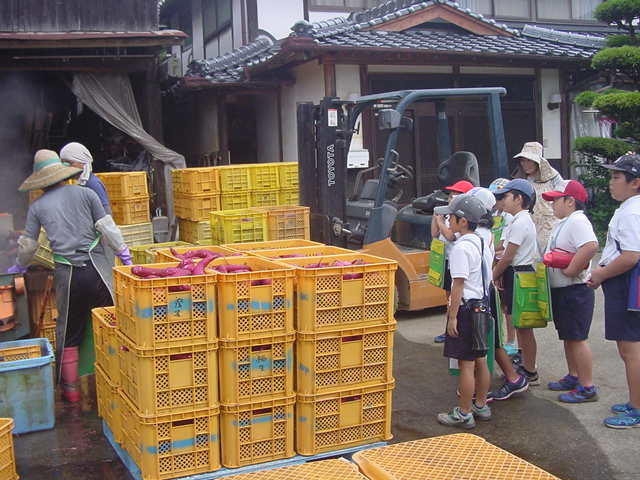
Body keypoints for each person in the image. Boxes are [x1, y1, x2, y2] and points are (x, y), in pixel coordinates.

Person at [8, 150, 133, 403]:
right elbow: (107, 227)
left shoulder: (37, 207)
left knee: (69, 332)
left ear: (41, 180)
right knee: (111, 324)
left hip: (69, 276)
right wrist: (124, 253)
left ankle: (72, 392)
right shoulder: (87, 194)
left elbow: (28, 246)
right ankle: (119, 381)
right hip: (98, 272)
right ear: (63, 174)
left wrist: (19, 266)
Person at [588, 154, 640, 428]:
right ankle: (634, 401)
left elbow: (631, 256)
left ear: (635, 182)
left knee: (631, 349)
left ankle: (637, 408)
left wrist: (601, 273)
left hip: (627, 282)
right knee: (627, 347)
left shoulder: (632, 212)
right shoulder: (629, 208)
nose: (611, 182)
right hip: (624, 281)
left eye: (617, 177)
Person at [434, 194, 492, 429]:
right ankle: (481, 405)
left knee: (466, 364)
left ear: (463, 221)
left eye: (452, 217)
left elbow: (458, 285)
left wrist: (452, 317)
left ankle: (464, 413)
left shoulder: (460, 248)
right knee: (481, 360)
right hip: (482, 306)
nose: (448, 221)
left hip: (466, 309)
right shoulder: (480, 241)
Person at [542, 180, 599, 403]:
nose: (552, 205)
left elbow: (590, 246)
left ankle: (587, 386)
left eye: (556, 200)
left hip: (575, 289)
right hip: (564, 290)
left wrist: (572, 269)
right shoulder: (565, 222)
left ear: (570, 201)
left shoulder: (578, 221)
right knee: (568, 336)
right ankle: (574, 375)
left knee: (577, 338)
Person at [490, 179, 540, 388]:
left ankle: (530, 369)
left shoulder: (521, 221)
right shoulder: (516, 220)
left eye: (506, 196)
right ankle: (527, 365)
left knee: (524, 326)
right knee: (520, 325)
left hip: (520, 274)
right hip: (515, 273)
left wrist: (493, 275)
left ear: (519, 198)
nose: (503, 200)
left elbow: (508, 256)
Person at [431, 180, 474, 344]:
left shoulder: (463, 219)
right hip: (446, 260)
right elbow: (434, 234)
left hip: (457, 263)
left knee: (456, 297)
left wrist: (441, 222)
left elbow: (450, 236)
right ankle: (448, 329)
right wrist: (436, 217)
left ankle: (454, 329)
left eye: (456, 195)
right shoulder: (449, 214)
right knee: (448, 297)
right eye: (450, 195)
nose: (451, 198)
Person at [512, 142, 564, 254]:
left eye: (529, 160)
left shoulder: (553, 178)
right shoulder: (521, 180)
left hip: (549, 225)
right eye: (523, 160)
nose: (525, 164)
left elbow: (562, 198)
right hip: (527, 224)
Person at [489, 178, 517, 355]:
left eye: (500, 197)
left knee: (508, 307)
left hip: (504, 264)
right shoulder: (493, 214)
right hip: (493, 261)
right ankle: (499, 337)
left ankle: (511, 341)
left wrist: (489, 248)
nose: (497, 201)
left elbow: (504, 244)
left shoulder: (510, 217)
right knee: (497, 304)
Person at [59, 142, 111, 214]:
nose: (66, 166)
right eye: (63, 163)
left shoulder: (92, 184)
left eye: (70, 163)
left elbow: (105, 213)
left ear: (82, 163)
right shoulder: (74, 183)